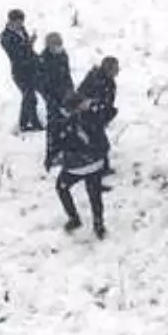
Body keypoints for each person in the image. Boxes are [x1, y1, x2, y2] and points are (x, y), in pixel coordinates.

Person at [49, 91, 108, 239]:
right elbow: (110, 113)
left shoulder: (63, 122)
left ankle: (74, 218)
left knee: (61, 187)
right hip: (96, 163)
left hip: (75, 166)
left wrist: (52, 158)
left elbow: (57, 144)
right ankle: (99, 225)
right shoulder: (94, 115)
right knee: (95, 194)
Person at [0, 8, 43, 132]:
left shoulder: (22, 30)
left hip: (30, 68)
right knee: (29, 96)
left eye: (22, 22)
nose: (21, 25)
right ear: (11, 21)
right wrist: (29, 44)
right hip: (20, 71)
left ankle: (25, 123)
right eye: (18, 22)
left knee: (29, 97)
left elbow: (27, 50)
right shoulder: (6, 37)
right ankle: (32, 123)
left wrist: (37, 58)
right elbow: (17, 54)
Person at [78, 56, 120, 175]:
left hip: (97, 117)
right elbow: (84, 98)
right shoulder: (97, 80)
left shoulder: (107, 80)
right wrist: (95, 107)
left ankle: (101, 168)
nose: (117, 71)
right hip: (90, 118)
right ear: (108, 69)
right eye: (115, 69)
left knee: (99, 145)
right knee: (100, 145)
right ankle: (97, 170)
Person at [38, 32, 74, 169]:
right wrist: (51, 100)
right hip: (52, 97)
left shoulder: (63, 55)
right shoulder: (43, 60)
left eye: (60, 45)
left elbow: (67, 74)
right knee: (54, 127)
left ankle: (64, 151)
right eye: (55, 45)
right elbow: (43, 84)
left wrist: (70, 91)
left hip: (65, 95)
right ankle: (51, 156)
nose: (58, 48)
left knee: (66, 124)